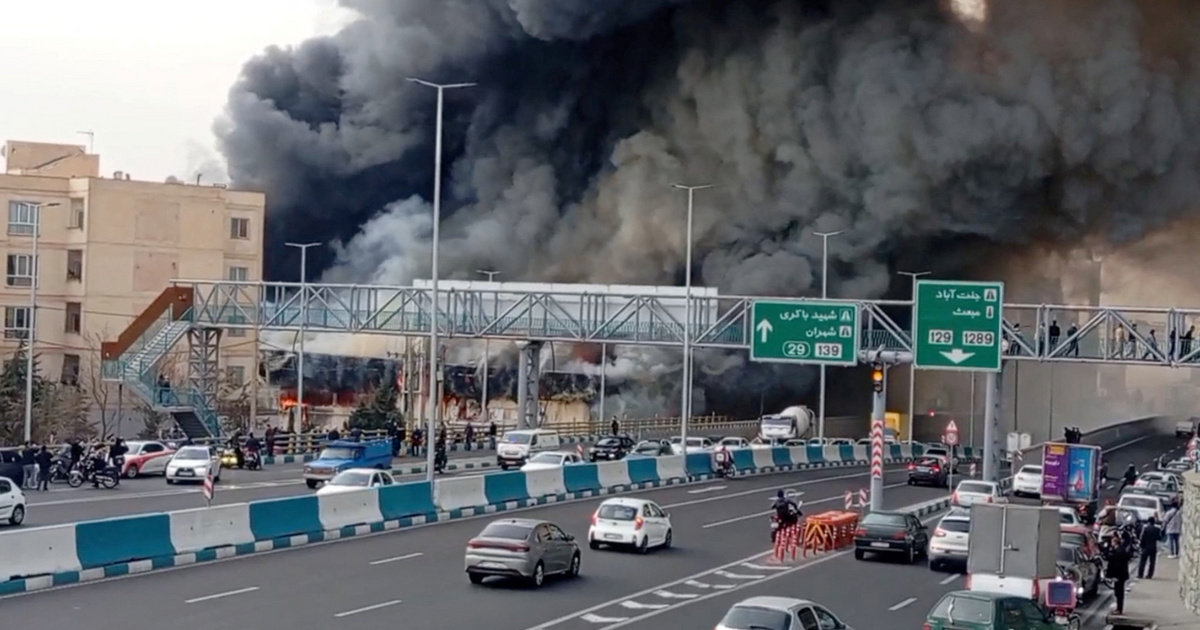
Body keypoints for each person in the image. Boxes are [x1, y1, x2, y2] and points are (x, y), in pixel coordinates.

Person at [1103, 532, 1133, 615]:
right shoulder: (1119, 550)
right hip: (1121, 575)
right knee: (1118, 592)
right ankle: (1118, 608)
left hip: (1119, 576)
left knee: (1119, 593)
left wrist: (1116, 576)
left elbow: (1117, 565)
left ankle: (1119, 609)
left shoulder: (1119, 552)